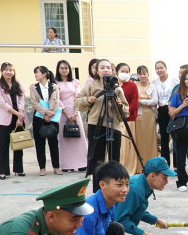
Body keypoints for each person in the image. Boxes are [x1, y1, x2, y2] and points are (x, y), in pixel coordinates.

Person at [75, 59, 129, 192]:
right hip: (96, 125)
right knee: (96, 159)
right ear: (96, 71)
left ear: (112, 71)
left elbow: (126, 112)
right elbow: (77, 102)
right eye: (102, 67)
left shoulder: (117, 89)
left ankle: (114, 190)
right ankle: (97, 191)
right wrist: (88, 100)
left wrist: (120, 105)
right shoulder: (91, 86)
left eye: (108, 68)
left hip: (114, 126)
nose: (105, 70)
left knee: (114, 160)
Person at [113, 157, 175, 235]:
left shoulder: (142, 184)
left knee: (141, 207)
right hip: (100, 225)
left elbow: (136, 208)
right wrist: (143, 234)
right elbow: (119, 219)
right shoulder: (136, 190)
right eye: (164, 177)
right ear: (152, 176)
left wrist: (156, 220)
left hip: (109, 220)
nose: (167, 182)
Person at [0, 62, 27, 180]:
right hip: (6, 118)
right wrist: (17, 113)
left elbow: (22, 99)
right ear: (1, 71)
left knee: (18, 143)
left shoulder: (18, 84)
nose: (9, 72)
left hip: (19, 117)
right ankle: (3, 171)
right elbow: (2, 103)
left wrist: (20, 116)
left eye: (11, 70)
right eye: (6, 70)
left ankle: (18, 169)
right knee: (3, 145)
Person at [55, 60, 88, 174]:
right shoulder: (55, 83)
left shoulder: (75, 82)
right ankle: (67, 165)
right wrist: (67, 114)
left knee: (79, 137)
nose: (64, 70)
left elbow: (78, 96)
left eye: (66, 68)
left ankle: (82, 164)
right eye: (62, 68)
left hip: (75, 111)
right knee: (65, 138)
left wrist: (75, 113)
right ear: (58, 70)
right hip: (62, 112)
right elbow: (57, 99)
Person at [29, 66, 61, 176]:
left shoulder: (54, 86)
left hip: (52, 117)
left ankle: (56, 167)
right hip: (39, 117)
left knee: (53, 143)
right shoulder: (33, 87)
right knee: (39, 143)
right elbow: (34, 102)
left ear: (44, 74)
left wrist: (50, 112)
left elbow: (57, 101)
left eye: (37, 73)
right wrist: (45, 112)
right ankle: (42, 168)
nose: (35, 75)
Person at [115, 63, 141, 174]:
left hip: (128, 119)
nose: (124, 74)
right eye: (122, 71)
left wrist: (124, 113)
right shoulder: (113, 85)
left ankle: (128, 167)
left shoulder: (133, 85)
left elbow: (134, 103)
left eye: (127, 71)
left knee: (127, 145)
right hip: (115, 120)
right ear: (116, 72)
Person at [152, 60, 178, 166]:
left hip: (173, 110)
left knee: (176, 137)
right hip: (162, 110)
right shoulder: (154, 82)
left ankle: (177, 165)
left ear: (166, 68)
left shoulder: (174, 80)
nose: (159, 70)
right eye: (157, 68)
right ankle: (165, 164)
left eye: (161, 68)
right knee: (164, 139)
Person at [133, 65, 159, 173]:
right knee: (138, 140)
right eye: (140, 74)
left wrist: (142, 101)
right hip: (138, 116)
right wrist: (145, 100)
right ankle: (139, 166)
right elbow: (134, 100)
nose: (142, 76)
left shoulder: (152, 86)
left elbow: (154, 101)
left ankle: (152, 165)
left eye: (144, 74)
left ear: (148, 74)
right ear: (137, 75)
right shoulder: (134, 85)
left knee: (150, 140)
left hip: (149, 116)